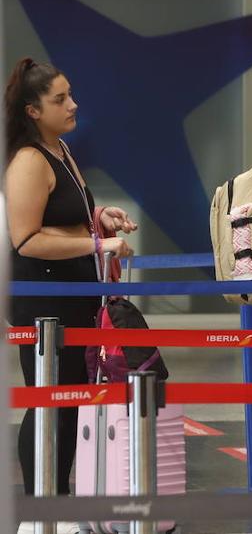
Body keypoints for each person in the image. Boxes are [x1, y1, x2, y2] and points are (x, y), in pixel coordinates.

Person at [5, 58, 136, 531]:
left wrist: (101, 217)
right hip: (42, 302)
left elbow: (68, 213)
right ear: (33, 110)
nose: (73, 104)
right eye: (59, 99)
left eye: (70, 93)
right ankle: (37, 515)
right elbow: (26, 238)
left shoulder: (59, 148)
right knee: (47, 405)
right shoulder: (27, 160)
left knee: (67, 406)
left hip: (74, 295)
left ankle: (58, 508)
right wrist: (97, 243)